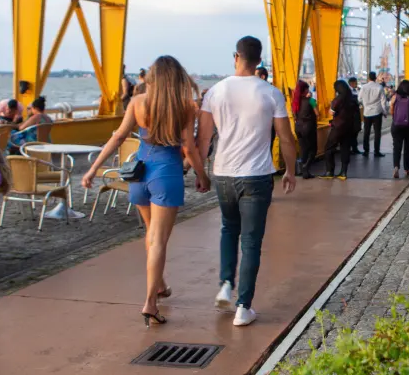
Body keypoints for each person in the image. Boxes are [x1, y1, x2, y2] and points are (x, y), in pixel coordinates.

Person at [83, 56, 211, 328]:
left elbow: (118, 137)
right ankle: (150, 303)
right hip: (167, 174)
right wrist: (202, 175)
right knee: (159, 241)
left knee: (151, 234)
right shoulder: (186, 107)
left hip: (139, 176)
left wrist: (93, 169)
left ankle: (160, 284)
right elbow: (188, 148)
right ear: (177, 79)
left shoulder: (137, 103)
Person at [197, 37, 296, 327]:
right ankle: (243, 307)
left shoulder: (215, 91)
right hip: (257, 175)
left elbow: (203, 138)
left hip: (224, 174)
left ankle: (226, 284)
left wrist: (201, 174)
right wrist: (290, 170)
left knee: (229, 229)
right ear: (259, 60)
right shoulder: (271, 93)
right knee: (251, 241)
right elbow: (286, 137)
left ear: (235, 56)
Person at [320, 80, 360, 180]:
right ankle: (343, 173)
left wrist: (331, 107)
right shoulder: (353, 98)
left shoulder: (338, 99)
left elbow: (331, 112)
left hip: (338, 127)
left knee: (329, 148)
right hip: (349, 127)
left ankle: (330, 171)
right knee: (345, 149)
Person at [390, 80, 409, 179]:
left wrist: (392, 106)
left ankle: (396, 167)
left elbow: (392, 112)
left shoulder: (394, 97)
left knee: (396, 147)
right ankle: (406, 169)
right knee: (408, 147)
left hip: (396, 126)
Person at [292, 79, 318, 179]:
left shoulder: (295, 102)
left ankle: (304, 172)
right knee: (313, 150)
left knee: (303, 149)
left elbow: (295, 116)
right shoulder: (311, 101)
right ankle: (305, 168)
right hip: (308, 128)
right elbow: (317, 113)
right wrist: (312, 99)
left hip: (298, 127)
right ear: (305, 90)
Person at [359, 72, 388, 157]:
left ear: (368, 78)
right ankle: (376, 151)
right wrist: (385, 112)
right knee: (377, 133)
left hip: (367, 112)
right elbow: (383, 101)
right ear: (375, 78)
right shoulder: (379, 87)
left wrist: (365, 104)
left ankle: (366, 151)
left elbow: (359, 98)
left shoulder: (363, 87)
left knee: (366, 132)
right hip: (377, 112)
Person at [348, 77, 363, 155]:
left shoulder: (355, 91)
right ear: (351, 83)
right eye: (356, 83)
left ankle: (354, 148)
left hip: (356, 113)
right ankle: (351, 148)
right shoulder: (348, 91)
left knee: (356, 131)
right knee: (352, 132)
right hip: (351, 114)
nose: (357, 84)